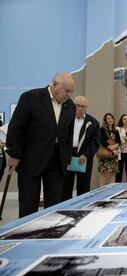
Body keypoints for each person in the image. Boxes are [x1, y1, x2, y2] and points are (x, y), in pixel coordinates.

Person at [6, 73, 76, 218]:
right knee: (28, 203)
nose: (69, 95)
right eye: (66, 90)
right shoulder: (31, 98)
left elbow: (68, 135)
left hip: (57, 160)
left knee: (54, 204)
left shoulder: (70, 106)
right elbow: (16, 128)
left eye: (71, 91)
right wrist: (14, 154)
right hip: (31, 159)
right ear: (55, 85)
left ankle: (49, 234)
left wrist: (67, 159)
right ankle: (26, 235)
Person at [61, 96, 100, 201]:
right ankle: (65, 208)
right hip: (68, 155)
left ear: (86, 107)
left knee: (84, 186)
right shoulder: (65, 119)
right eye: (77, 106)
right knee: (65, 185)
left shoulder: (93, 123)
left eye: (82, 106)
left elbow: (95, 142)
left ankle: (82, 209)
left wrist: (86, 154)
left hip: (84, 157)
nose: (80, 108)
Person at [98, 113, 121, 186]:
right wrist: (111, 148)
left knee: (113, 173)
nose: (110, 120)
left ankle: (112, 190)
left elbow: (119, 142)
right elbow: (102, 141)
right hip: (105, 154)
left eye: (111, 118)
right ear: (105, 120)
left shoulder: (116, 131)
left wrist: (113, 147)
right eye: (108, 118)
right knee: (103, 173)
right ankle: (102, 190)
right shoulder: (102, 130)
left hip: (114, 154)